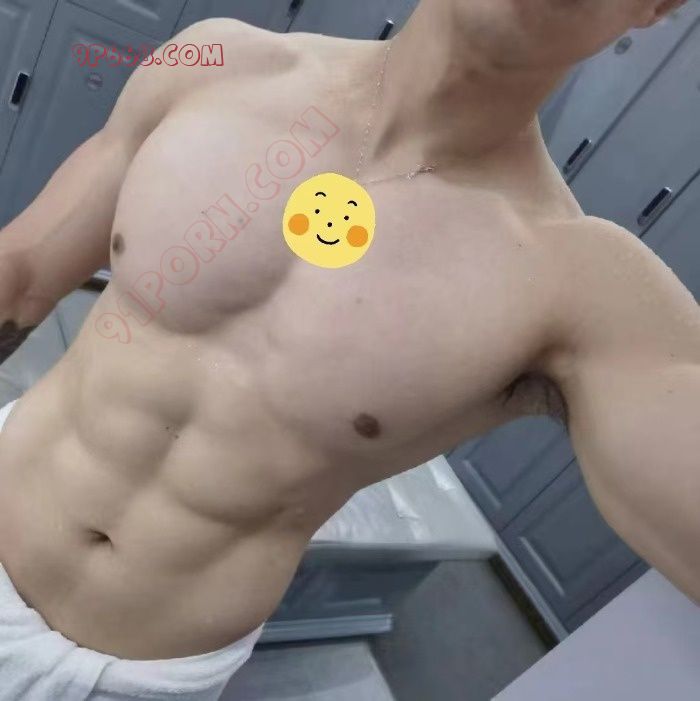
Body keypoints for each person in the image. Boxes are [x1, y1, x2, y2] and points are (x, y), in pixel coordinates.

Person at [0, 0, 697, 697]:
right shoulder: (209, 56)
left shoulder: (583, 286)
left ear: (656, 7)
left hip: (137, 676)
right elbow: (22, 272)